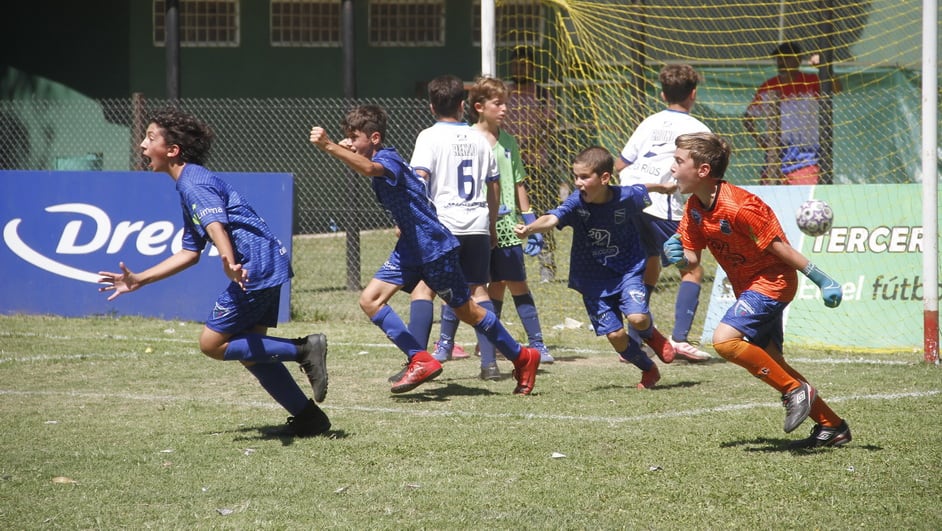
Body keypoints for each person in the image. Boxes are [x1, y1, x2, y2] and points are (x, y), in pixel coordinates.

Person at [97, 107, 330, 438]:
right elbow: (189, 253)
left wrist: (227, 258)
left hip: (252, 267)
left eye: (150, 138)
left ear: (172, 150)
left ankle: (304, 348)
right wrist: (139, 280)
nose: (142, 146)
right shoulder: (190, 183)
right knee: (253, 352)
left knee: (212, 344)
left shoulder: (192, 183)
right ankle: (309, 418)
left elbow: (214, 222)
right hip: (263, 262)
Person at [308, 104, 541, 395]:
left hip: (432, 246)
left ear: (375, 138)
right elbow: (363, 163)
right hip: (410, 246)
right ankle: (419, 358)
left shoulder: (388, 157)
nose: (350, 142)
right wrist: (347, 149)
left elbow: (370, 168)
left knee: (468, 311)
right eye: (348, 137)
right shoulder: (371, 155)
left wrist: (329, 145)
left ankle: (523, 356)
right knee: (370, 300)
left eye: (354, 137)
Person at [664, 132, 851, 448]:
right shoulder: (694, 206)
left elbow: (779, 248)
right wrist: (681, 256)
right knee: (773, 360)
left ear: (703, 171)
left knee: (724, 341)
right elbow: (693, 257)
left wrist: (821, 279)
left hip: (773, 283)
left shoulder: (741, 206)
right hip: (747, 287)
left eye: (678, 161)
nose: (672, 168)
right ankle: (832, 425)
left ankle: (795, 391)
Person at [515, 146, 677, 389]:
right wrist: (530, 229)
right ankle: (648, 368)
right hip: (591, 278)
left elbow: (643, 188)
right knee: (615, 336)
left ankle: (652, 335)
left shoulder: (626, 197)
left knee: (637, 317)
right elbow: (552, 218)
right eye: (576, 176)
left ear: (604, 178)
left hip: (627, 269)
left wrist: (664, 188)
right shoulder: (576, 203)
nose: (578, 183)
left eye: (584, 177)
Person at [429, 75, 555, 380]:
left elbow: (519, 181)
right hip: (477, 225)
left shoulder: (508, 140)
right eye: (498, 103)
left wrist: (529, 217)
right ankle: (446, 342)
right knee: (472, 286)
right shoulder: (468, 138)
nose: (505, 109)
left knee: (512, 283)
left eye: (506, 103)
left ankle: (536, 343)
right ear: (478, 107)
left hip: (508, 225)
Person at [405, 74, 505, 379]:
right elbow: (493, 186)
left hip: (443, 225)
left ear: (431, 106)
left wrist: (411, 221)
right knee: (478, 289)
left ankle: (418, 362)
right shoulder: (481, 138)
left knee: (424, 288)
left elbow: (418, 181)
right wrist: (490, 225)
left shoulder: (429, 136)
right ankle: (489, 364)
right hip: (476, 223)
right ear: (463, 105)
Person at [614, 63, 712, 363]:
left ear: (661, 94)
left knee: (649, 263)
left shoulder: (649, 121)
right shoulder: (700, 130)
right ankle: (680, 340)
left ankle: (633, 341)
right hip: (660, 204)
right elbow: (704, 175)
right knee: (692, 269)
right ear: (693, 94)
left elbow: (621, 164)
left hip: (630, 197)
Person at [506, 46, 560, 283]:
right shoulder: (505, 93)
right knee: (506, 217)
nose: (520, 68)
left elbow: (549, 125)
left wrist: (527, 145)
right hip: (506, 166)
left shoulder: (541, 93)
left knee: (540, 215)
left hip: (536, 165)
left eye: (525, 63)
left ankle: (546, 266)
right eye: (516, 63)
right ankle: (507, 265)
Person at [743, 42, 828, 185]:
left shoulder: (812, 81)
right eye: (778, 59)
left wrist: (823, 67)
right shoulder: (769, 85)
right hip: (776, 154)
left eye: (786, 58)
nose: (781, 62)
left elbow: (836, 87)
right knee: (769, 198)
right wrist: (760, 140)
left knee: (803, 194)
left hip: (807, 154)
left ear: (798, 59)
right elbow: (748, 118)